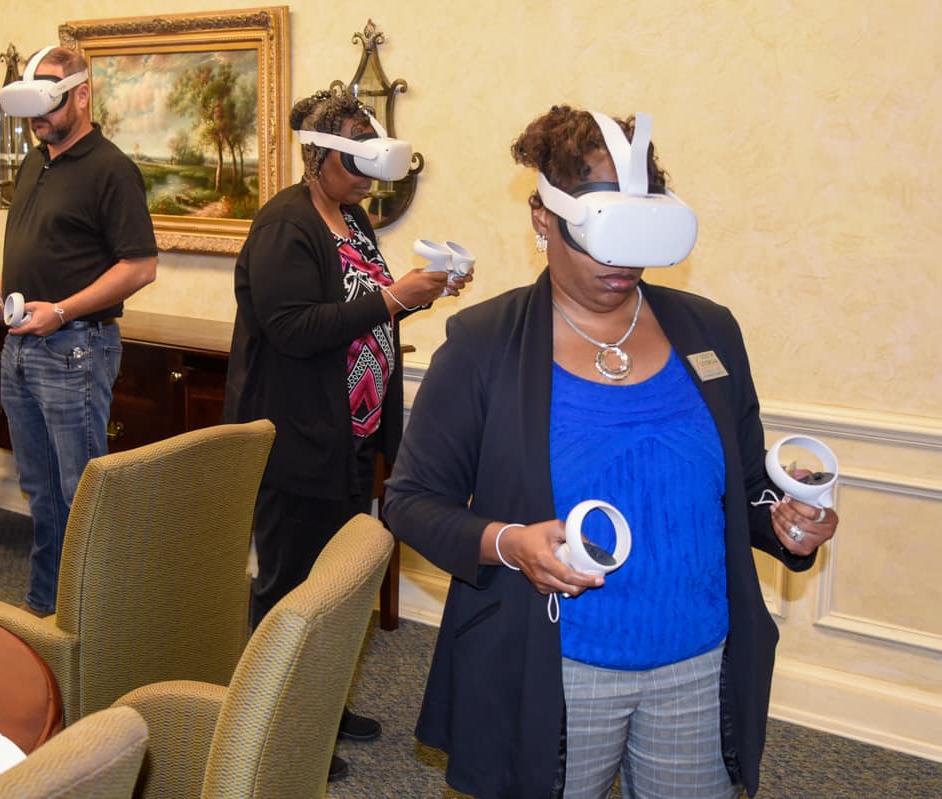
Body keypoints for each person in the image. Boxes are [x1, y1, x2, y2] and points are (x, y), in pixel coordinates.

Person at [383, 105, 840, 799]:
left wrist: (787, 520)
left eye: (639, 235)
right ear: (543, 219)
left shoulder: (709, 332)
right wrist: (509, 543)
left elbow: (746, 486)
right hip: (556, 667)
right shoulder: (484, 344)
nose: (622, 262)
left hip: (698, 664)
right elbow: (410, 502)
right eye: (602, 235)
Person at [222, 89, 472, 781]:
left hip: (349, 436)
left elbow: (359, 310)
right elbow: (295, 328)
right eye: (355, 163)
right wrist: (394, 297)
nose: (367, 179)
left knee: (334, 588)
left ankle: (322, 708)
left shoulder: (352, 218)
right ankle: (274, 731)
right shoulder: (285, 225)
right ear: (317, 156)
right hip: (297, 439)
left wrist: (420, 294)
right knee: (289, 591)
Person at [0, 46, 157, 616]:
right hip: (20, 346)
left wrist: (62, 311)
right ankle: (46, 611)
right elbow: (33, 248)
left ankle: (97, 623)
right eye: (30, 106)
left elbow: (140, 267)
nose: (38, 117)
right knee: (40, 490)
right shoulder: (36, 162)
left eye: (48, 103)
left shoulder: (111, 169)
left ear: (82, 95)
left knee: (82, 495)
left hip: (74, 347)